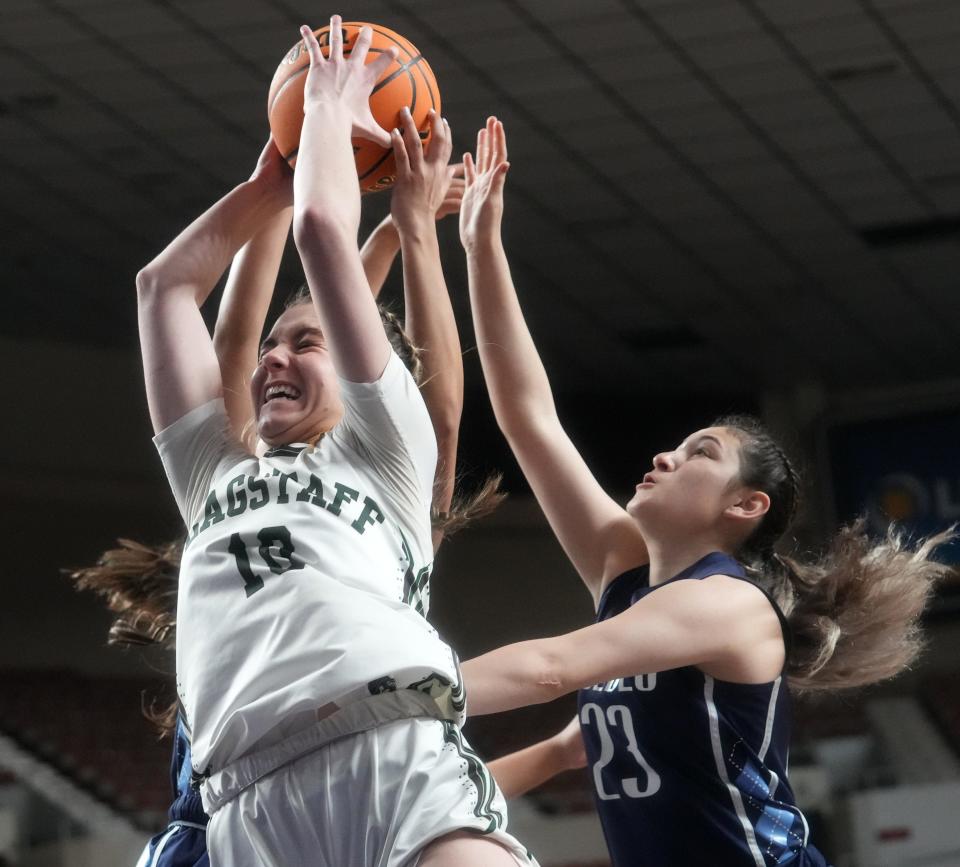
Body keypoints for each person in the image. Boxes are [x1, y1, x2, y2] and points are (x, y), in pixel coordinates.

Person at [454, 116, 953, 867]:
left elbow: (548, 670)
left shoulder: (725, 601)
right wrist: (481, 246)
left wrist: (384, 685)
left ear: (745, 506)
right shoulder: (628, 578)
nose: (664, 454)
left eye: (699, 453)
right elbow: (529, 420)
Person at [133, 18, 532, 866]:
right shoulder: (214, 471)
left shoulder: (386, 452)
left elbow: (324, 236)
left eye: (306, 343)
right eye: (274, 343)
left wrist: (328, 114)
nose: (276, 354)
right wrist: (268, 183)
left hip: (388, 745)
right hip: (247, 799)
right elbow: (164, 287)